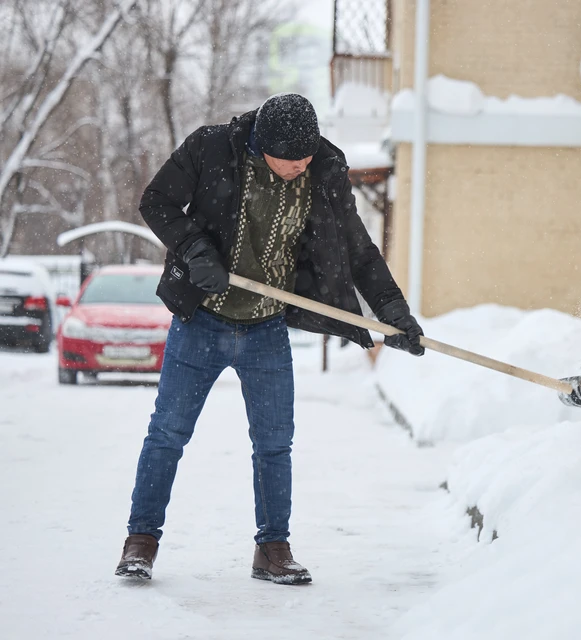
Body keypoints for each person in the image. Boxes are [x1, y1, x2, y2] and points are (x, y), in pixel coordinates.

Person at [115, 93, 424, 585]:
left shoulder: (322, 172)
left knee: (275, 444)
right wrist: (196, 250)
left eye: (307, 157)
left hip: (266, 328)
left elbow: (358, 247)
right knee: (168, 432)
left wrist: (393, 311)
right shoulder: (212, 149)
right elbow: (157, 202)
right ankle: (141, 541)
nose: (300, 167)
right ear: (262, 146)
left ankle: (272, 548)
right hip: (203, 322)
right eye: (291, 160)